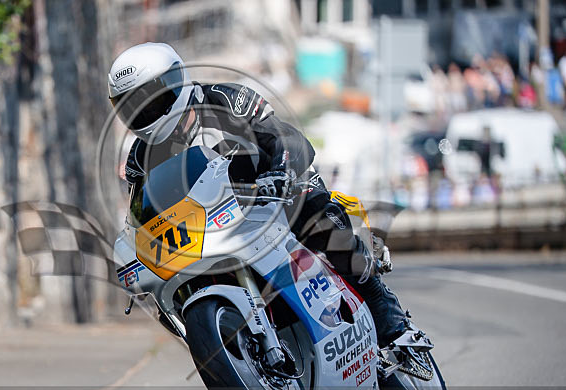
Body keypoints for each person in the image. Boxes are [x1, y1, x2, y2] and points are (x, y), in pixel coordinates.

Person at [107, 42, 427, 348]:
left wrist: (277, 174)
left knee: (316, 218)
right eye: (131, 107)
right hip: (213, 227)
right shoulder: (140, 159)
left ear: (174, 82)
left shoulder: (224, 100)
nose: (143, 113)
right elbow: (140, 213)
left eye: (149, 100)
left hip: (275, 187)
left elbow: (288, 139)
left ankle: (387, 314)